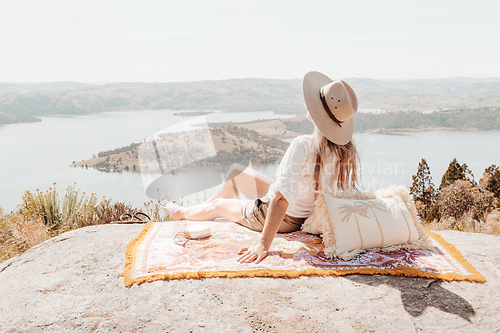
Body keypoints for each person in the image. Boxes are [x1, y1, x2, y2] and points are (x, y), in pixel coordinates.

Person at [161, 71, 359, 264]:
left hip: (287, 218)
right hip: (303, 212)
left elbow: (281, 199)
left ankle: (186, 213)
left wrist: (263, 244)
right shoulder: (344, 151)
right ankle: (202, 211)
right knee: (236, 173)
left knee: (218, 205)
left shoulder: (304, 145)